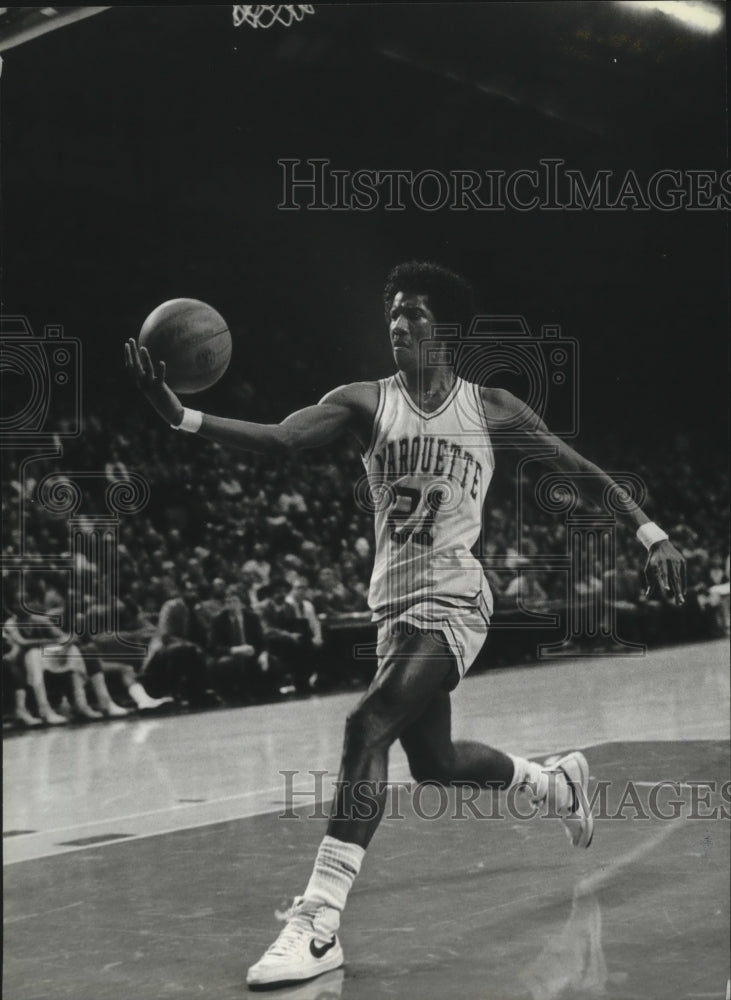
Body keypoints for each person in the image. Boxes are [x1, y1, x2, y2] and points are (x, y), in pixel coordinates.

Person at [126, 260, 686, 989]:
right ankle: (553, 785)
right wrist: (181, 416)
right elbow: (283, 438)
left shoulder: (488, 407)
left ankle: (320, 922)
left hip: (454, 599)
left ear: (444, 330)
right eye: (392, 313)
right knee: (434, 762)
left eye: (415, 314)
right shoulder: (362, 402)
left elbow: (576, 469)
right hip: (393, 606)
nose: (398, 324)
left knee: (367, 725)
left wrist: (648, 533)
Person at [209, 584, 266, 703]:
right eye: (228, 602)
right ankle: (233, 695)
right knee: (228, 663)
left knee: (270, 661)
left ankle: (265, 693)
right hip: (229, 654)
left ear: (242, 602)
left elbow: (262, 641)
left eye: (234, 601)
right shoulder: (218, 620)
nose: (231, 605)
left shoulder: (252, 618)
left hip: (251, 652)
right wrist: (236, 650)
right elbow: (213, 646)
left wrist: (263, 654)